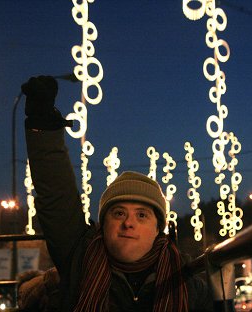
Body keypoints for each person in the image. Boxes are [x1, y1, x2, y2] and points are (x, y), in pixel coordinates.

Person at [21, 76, 213, 311]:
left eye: (142, 215)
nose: (129, 223)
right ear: (103, 224)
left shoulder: (190, 287)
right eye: (119, 213)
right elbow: (56, 197)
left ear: (158, 228)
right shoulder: (79, 260)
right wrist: (43, 126)